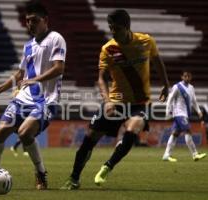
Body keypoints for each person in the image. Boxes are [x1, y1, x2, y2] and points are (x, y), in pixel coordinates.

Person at [61, 9, 169, 190]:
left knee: (132, 131)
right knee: (90, 139)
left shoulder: (146, 42)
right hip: (116, 102)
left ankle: (107, 166)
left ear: (127, 27)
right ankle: (74, 178)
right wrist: (107, 100)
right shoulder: (108, 49)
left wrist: (166, 84)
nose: (113, 31)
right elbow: (101, 78)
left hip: (140, 102)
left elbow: (157, 61)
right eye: (111, 27)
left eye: (117, 28)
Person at [0, 2, 66, 190]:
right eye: (27, 21)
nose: (29, 24)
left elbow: (59, 68)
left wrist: (36, 80)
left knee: (24, 133)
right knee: (0, 133)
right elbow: (19, 75)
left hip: (46, 100)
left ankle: (40, 173)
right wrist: (1, 88)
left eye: (34, 20)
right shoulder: (28, 46)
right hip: (23, 98)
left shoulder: (56, 38)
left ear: (45, 20)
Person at [162, 71, 206, 162]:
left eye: (189, 76)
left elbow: (194, 101)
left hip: (185, 114)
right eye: (185, 76)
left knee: (175, 134)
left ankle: (166, 155)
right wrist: (167, 111)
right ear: (182, 77)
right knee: (188, 131)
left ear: (191, 77)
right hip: (179, 113)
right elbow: (170, 99)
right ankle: (195, 154)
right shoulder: (177, 87)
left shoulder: (191, 88)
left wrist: (198, 111)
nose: (187, 78)